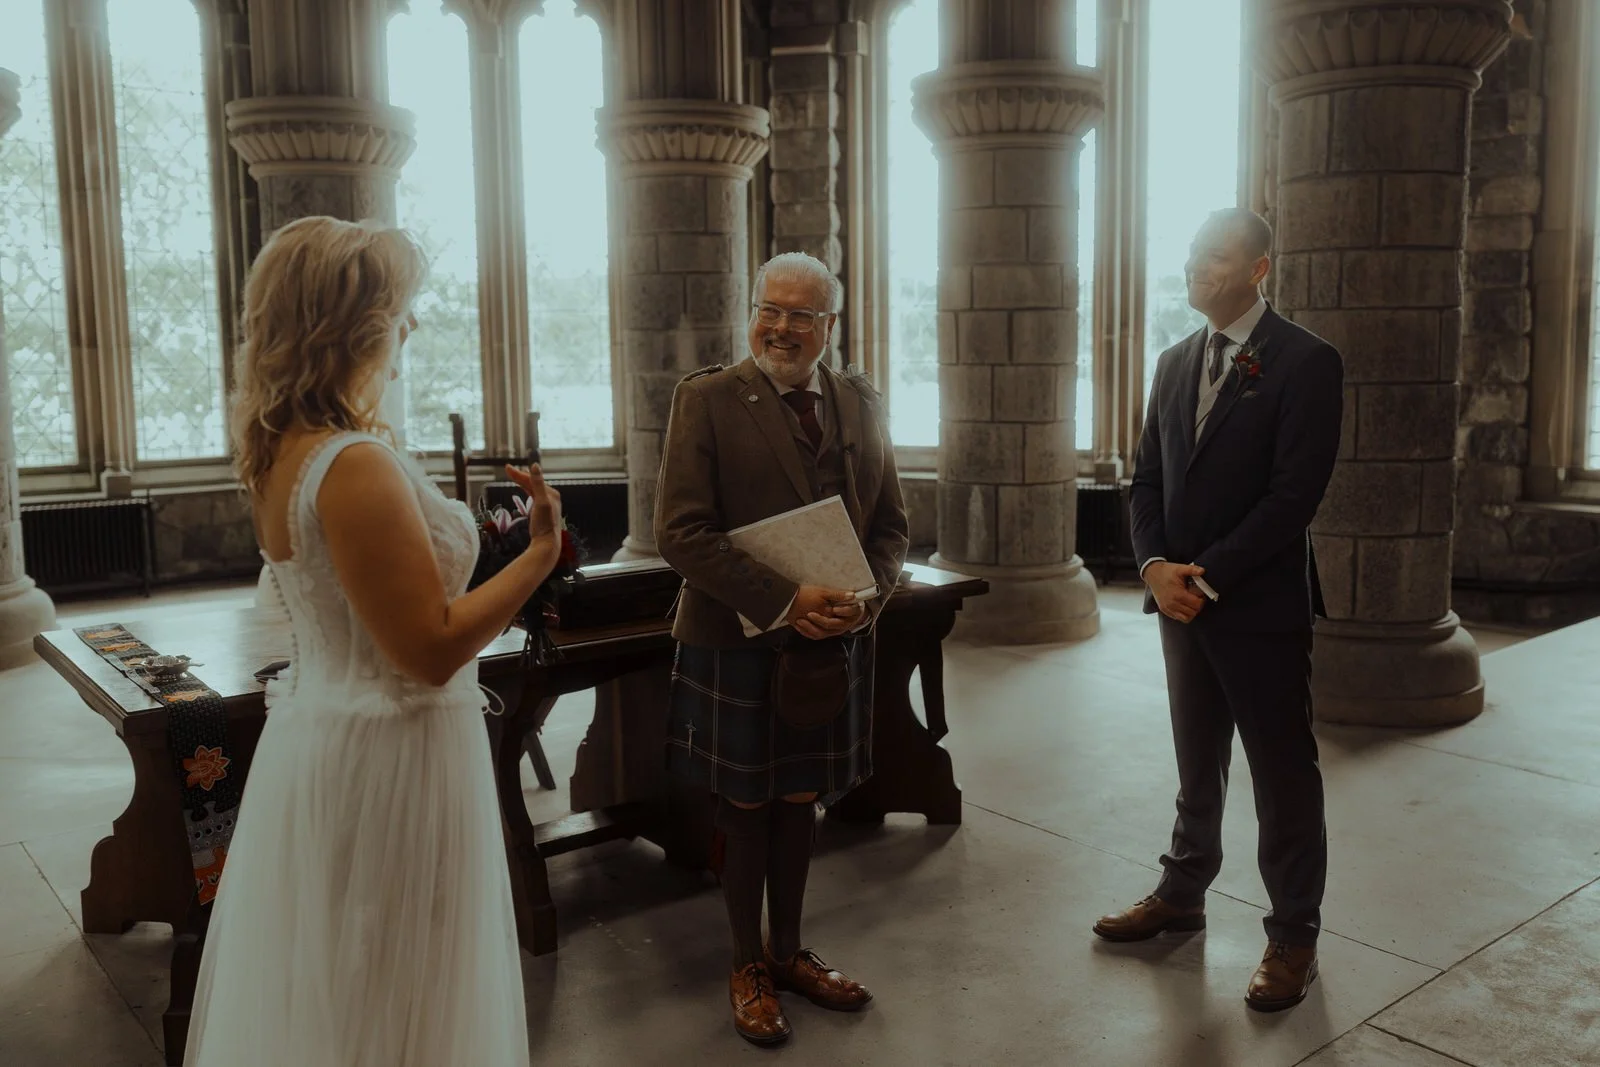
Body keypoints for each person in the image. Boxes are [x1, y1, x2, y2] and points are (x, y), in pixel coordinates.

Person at [185, 216, 561, 1066]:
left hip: (327, 730)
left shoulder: (283, 450)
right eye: (399, 309)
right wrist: (539, 553)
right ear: (352, 326)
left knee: (350, 980)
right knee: (400, 981)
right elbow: (429, 648)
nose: (410, 326)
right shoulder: (353, 463)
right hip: (392, 748)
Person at [654, 251, 910, 1046]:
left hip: (830, 640)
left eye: (802, 314)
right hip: (736, 637)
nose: (781, 327)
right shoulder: (705, 399)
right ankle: (746, 964)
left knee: (802, 797)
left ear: (829, 324)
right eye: (770, 308)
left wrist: (864, 600)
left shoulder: (860, 402)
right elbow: (680, 533)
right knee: (745, 802)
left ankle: (790, 951)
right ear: (752, 311)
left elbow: (891, 526)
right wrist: (786, 601)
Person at [1093, 208, 1343, 1012]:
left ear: (1259, 269)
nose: (1197, 267)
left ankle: (1294, 933)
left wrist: (1206, 579)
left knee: (1282, 772)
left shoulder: (1307, 362)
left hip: (1257, 606)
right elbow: (1147, 480)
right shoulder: (1173, 362)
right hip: (1179, 604)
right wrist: (1154, 567)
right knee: (1196, 760)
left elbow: (1293, 497)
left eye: (1217, 256)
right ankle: (1183, 891)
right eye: (1194, 253)